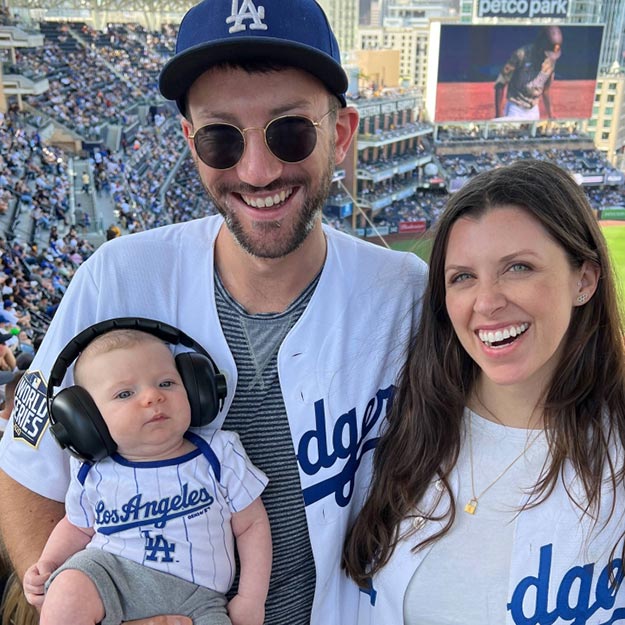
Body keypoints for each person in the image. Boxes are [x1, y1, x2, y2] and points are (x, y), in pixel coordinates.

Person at [0, 0, 428, 624]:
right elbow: (24, 464)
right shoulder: (113, 279)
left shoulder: (406, 294)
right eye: (221, 138)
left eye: (290, 132)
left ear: (339, 135)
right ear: (189, 142)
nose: (257, 171)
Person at [343, 159, 625, 623]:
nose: (487, 302)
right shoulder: (403, 419)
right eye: (463, 277)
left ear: (585, 279)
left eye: (518, 267)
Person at [22, 328, 270, 625]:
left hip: (199, 598)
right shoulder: (92, 471)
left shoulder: (219, 454)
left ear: (196, 390)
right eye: (125, 393)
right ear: (89, 420)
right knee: (66, 592)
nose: (153, 396)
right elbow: (77, 527)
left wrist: (251, 597)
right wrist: (48, 563)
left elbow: (252, 525)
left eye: (167, 383)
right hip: (111, 575)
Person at [494, 26, 563, 120]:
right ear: (540, 45)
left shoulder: (550, 60)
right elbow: (500, 83)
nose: (547, 57)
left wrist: (551, 114)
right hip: (515, 109)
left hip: (534, 110)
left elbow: (545, 90)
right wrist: (498, 114)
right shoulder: (522, 55)